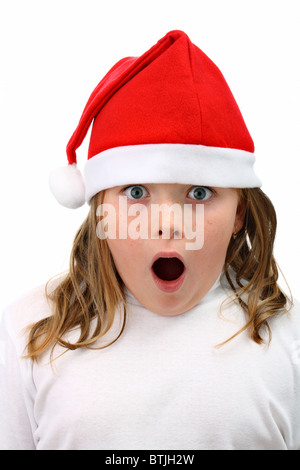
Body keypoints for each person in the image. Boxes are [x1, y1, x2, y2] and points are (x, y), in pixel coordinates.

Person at [0, 30, 299, 450]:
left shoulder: (289, 343)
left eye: (199, 192)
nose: (167, 224)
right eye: (136, 192)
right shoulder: (27, 333)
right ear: (100, 208)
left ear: (239, 214)